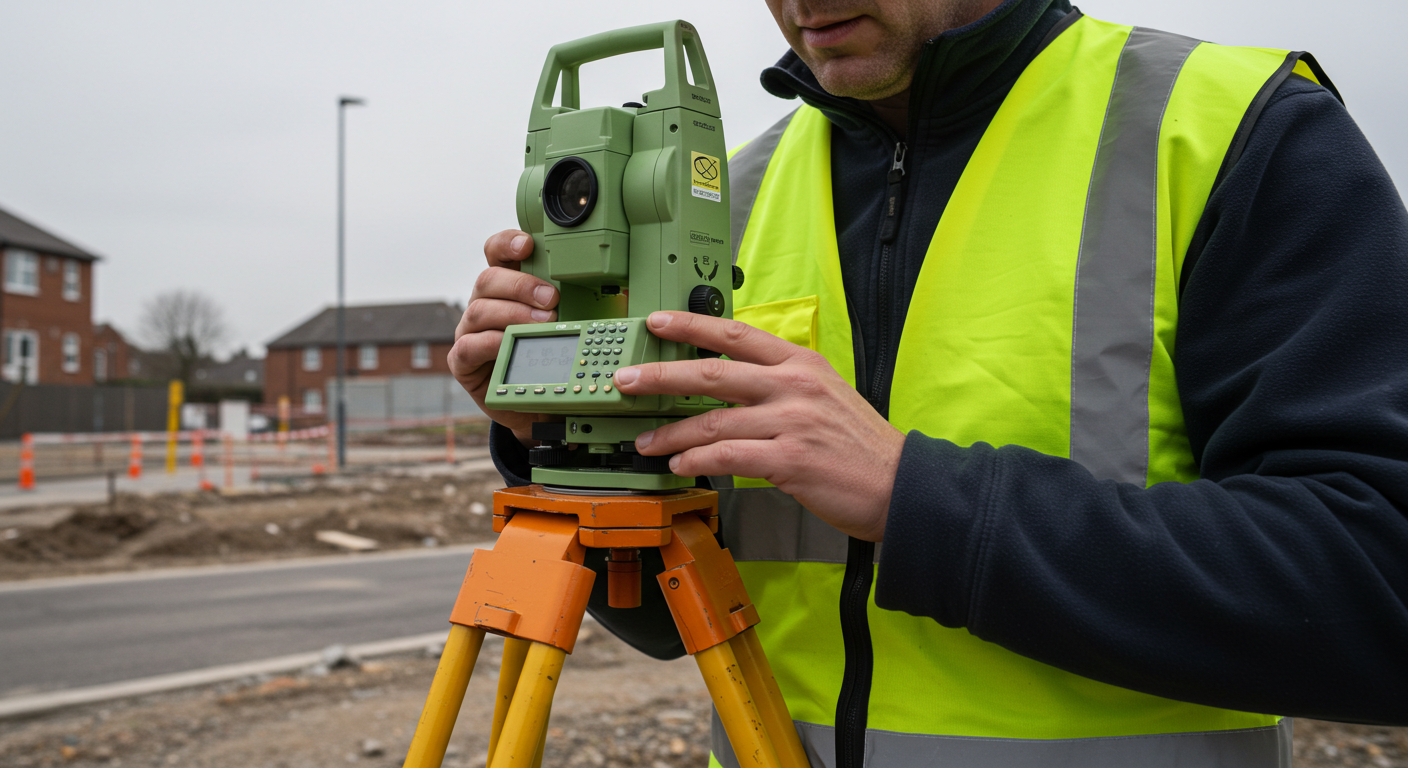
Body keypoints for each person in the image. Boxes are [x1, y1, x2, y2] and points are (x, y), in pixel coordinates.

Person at [452, 0, 1408, 765]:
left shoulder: (1230, 133)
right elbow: (674, 615)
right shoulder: (728, 202)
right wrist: (561, 441)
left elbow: (1377, 592)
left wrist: (917, 498)